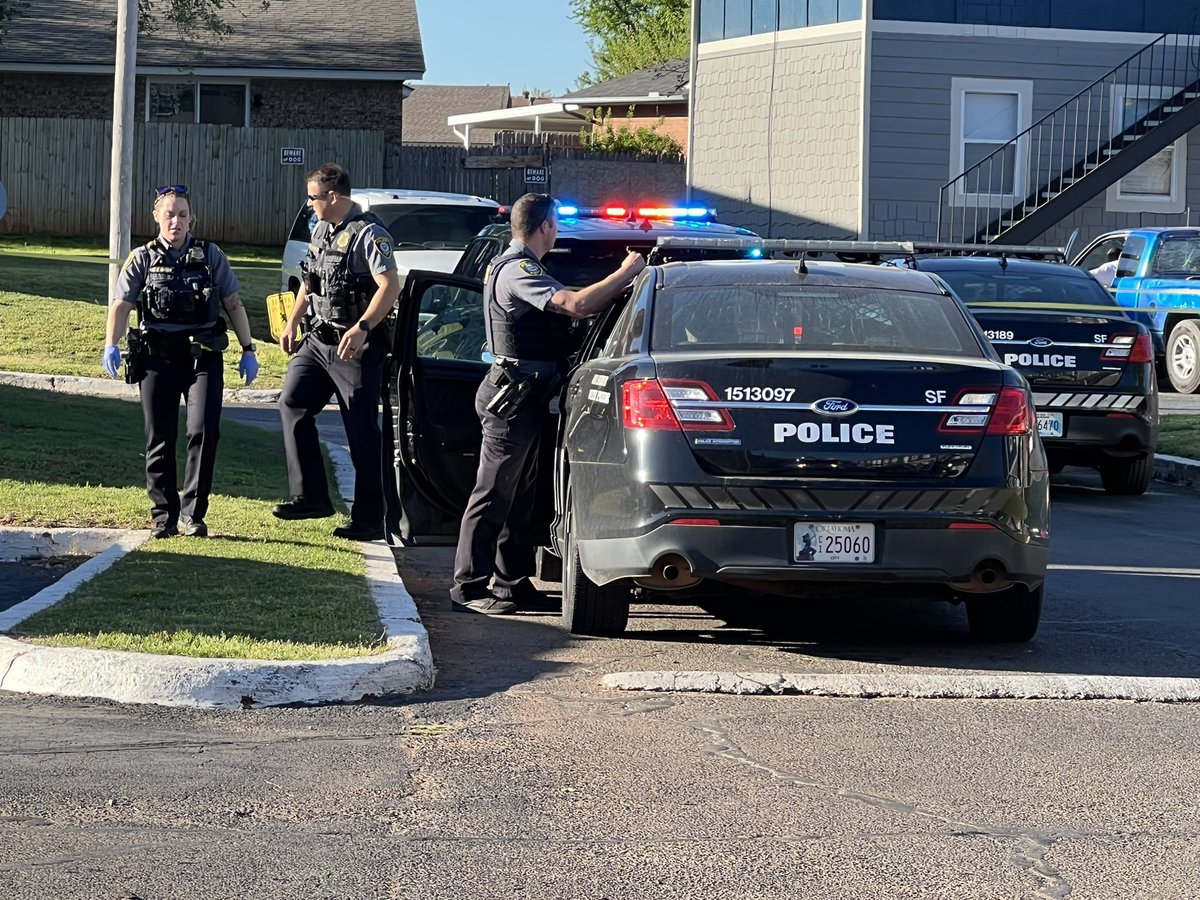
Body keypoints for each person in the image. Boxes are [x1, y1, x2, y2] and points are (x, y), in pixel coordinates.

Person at [450, 193, 646, 615]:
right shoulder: (518, 270)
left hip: (533, 394)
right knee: (493, 492)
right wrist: (625, 271)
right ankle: (468, 587)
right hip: (513, 396)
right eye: (555, 224)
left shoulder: (529, 267)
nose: (557, 230)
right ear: (546, 227)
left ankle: (511, 581)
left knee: (521, 494)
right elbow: (574, 305)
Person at [102, 184, 259, 539]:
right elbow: (122, 305)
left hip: (202, 356)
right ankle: (163, 517)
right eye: (170, 214)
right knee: (159, 436)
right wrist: (111, 343)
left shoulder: (210, 255)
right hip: (157, 357)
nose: (176, 221)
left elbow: (233, 303)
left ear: (192, 219)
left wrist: (248, 349)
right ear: (157, 217)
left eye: (183, 215)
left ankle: (193, 515)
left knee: (203, 430)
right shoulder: (143, 257)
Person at [274, 163, 400, 541]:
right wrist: (292, 321)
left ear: (334, 196)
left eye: (313, 197)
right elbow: (310, 282)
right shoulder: (321, 230)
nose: (308, 203)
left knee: (361, 434)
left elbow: (389, 286)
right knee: (291, 403)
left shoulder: (369, 234)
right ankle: (311, 497)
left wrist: (363, 327)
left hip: (354, 348)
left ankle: (369, 519)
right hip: (318, 340)